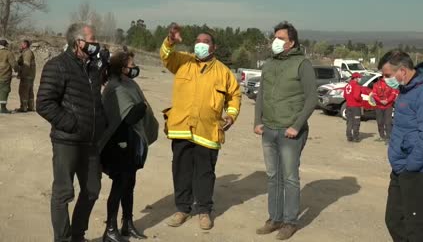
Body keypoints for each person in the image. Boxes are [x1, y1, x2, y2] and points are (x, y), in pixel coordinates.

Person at [159, 23, 241, 230]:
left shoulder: (223, 72)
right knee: (181, 171)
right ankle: (182, 209)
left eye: (206, 42)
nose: (201, 45)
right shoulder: (183, 61)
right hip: (182, 128)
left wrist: (231, 116)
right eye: (198, 41)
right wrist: (170, 40)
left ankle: (204, 211)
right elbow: (166, 56)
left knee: (205, 173)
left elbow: (234, 96)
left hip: (208, 131)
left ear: (213, 48)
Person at [37, 23, 106, 242]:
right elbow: (44, 103)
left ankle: (78, 235)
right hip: (67, 141)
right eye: (92, 39)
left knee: (92, 189)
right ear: (79, 42)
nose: (96, 43)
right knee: (63, 192)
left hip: (91, 142)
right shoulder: (57, 66)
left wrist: (100, 124)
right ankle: (63, 238)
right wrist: (71, 124)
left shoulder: (93, 68)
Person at [254, 21, 317, 240]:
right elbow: (261, 93)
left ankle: (290, 222)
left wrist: (296, 126)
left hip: (290, 131)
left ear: (291, 42)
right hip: (269, 129)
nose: (276, 41)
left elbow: (312, 98)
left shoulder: (302, 63)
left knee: (290, 178)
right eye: (275, 37)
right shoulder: (269, 64)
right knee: (273, 176)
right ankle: (275, 219)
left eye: (280, 38)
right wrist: (257, 120)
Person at [379, 51, 423, 242]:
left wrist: (411, 165)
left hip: (419, 171)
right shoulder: (407, 89)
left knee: (418, 230)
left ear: (402, 70)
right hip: (402, 168)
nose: (385, 80)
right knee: (394, 220)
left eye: (387, 75)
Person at [99, 50, 159, 242]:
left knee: (129, 184)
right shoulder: (114, 88)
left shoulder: (130, 83)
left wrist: (142, 107)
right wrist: (142, 107)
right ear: (121, 68)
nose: (135, 69)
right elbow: (130, 116)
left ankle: (127, 224)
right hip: (117, 144)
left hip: (132, 143)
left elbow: (138, 112)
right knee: (119, 185)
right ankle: (110, 228)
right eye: (132, 66)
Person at [372, 76, 398, 143]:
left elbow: (393, 93)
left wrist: (387, 101)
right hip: (378, 106)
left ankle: (388, 137)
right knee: (380, 122)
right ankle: (382, 136)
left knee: (388, 122)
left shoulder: (392, 84)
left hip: (388, 106)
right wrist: (380, 101)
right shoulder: (376, 84)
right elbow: (374, 94)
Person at [16, 39, 36, 112]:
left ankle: (23, 107)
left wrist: (22, 75)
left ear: (25, 45)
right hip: (30, 75)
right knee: (29, 91)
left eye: (22, 44)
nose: (20, 45)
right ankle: (31, 107)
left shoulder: (27, 53)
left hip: (26, 75)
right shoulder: (26, 52)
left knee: (23, 91)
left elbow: (26, 65)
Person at [344, 72, 363, 142]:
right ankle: (356, 137)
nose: (360, 79)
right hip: (355, 107)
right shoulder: (357, 86)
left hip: (348, 106)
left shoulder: (347, 86)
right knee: (356, 122)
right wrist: (361, 99)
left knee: (349, 122)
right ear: (356, 78)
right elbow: (356, 96)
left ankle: (349, 136)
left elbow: (345, 96)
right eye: (360, 77)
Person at [0, 39, 17, 114]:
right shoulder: (8, 53)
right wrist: (17, 70)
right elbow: (14, 64)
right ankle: (3, 109)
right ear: (5, 45)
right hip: (4, 75)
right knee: (4, 91)